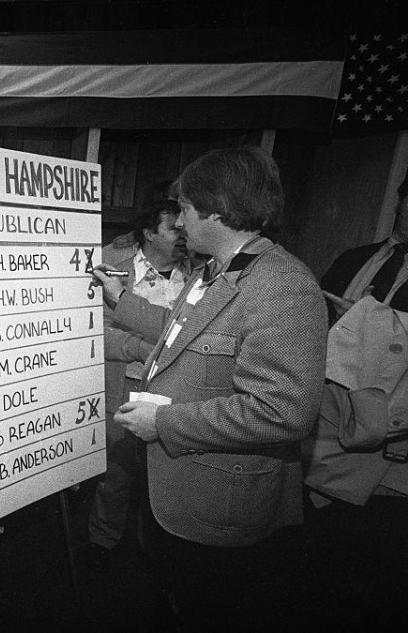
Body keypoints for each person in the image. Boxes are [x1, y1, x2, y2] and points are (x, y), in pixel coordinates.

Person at [92, 146, 327, 631]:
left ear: (215, 211)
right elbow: (182, 336)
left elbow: (284, 412)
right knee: (169, 597)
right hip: (173, 493)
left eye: (185, 208)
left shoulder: (283, 286)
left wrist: (163, 422)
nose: (179, 222)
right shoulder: (214, 271)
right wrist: (122, 299)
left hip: (220, 504)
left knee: (207, 609)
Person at [302, 167, 408, 630]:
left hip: (388, 449)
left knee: (379, 572)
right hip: (326, 432)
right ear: (401, 200)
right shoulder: (355, 258)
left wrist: (367, 326)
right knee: (318, 559)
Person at [86, 198, 190, 571]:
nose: (183, 235)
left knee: (165, 474)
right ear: (149, 233)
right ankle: (103, 541)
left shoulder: (199, 276)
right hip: (123, 386)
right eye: (173, 228)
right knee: (117, 471)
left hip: (178, 393)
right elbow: (97, 333)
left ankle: (155, 551)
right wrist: (146, 348)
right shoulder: (114, 271)